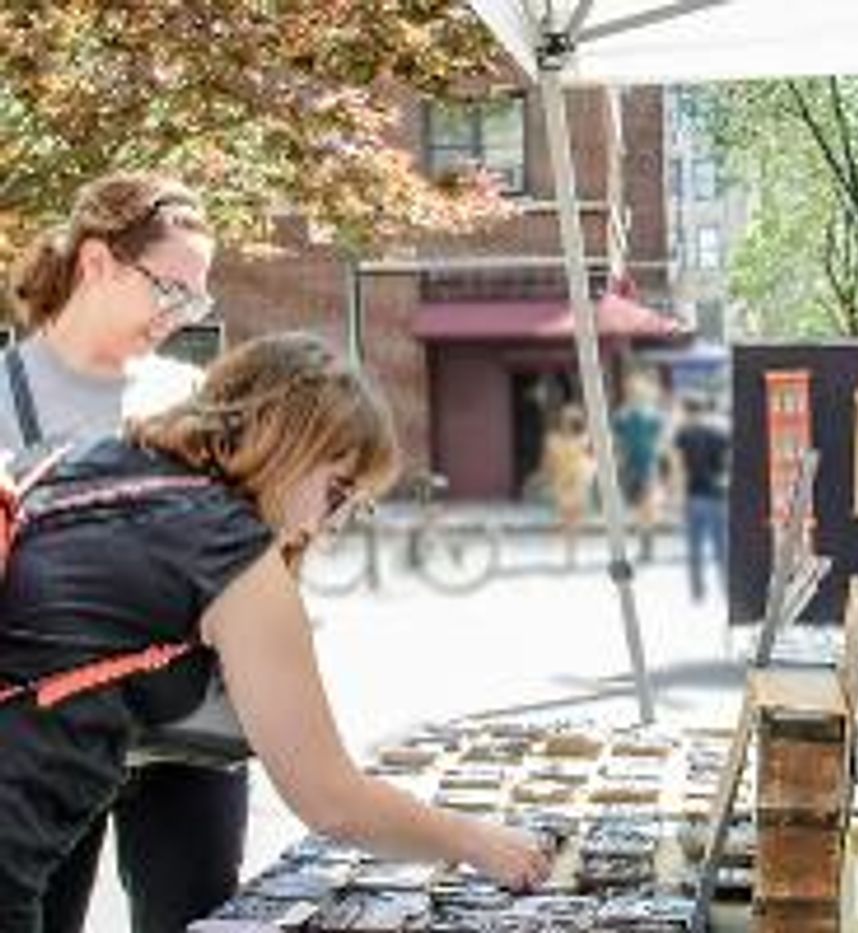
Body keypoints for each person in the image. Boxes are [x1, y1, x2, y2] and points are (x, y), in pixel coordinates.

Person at [0, 333, 551, 933]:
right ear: (289, 443)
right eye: (338, 492)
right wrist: (483, 844)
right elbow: (331, 801)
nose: (328, 525)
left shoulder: (71, 461)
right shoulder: (225, 546)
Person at [2, 171, 233, 933]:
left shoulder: (189, 394)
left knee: (197, 919)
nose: (183, 313)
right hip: (41, 739)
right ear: (96, 263)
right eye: (171, 289)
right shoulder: (5, 394)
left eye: (196, 299)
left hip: (183, 738)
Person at [670, 394, 730, 603]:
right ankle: (726, 588)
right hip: (719, 496)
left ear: (686, 411)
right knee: (721, 547)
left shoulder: (682, 435)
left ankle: (697, 592)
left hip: (694, 495)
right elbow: (727, 465)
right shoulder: (720, 434)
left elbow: (678, 469)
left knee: (694, 547)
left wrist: (676, 497)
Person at [612, 372, 668, 562]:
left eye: (638, 389)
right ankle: (644, 542)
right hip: (630, 465)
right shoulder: (622, 415)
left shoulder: (653, 415)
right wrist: (618, 463)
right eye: (632, 390)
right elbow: (617, 442)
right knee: (637, 507)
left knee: (648, 505)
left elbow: (661, 441)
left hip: (648, 463)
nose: (635, 393)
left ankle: (647, 544)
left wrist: (658, 459)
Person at [541, 403, 597, 568]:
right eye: (564, 418)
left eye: (570, 419)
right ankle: (569, 552)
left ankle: (571, 554)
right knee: (566, 519)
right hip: (562, 481)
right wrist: (547, 476)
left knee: (574, 519)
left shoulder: (585, 438)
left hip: (579, 481)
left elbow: (593, 458)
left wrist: (590, 471)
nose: (567, 422)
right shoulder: (553, 439)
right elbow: (547, 461)